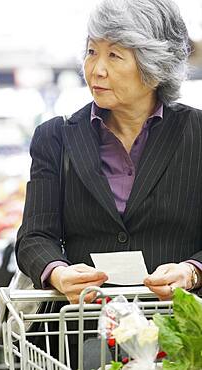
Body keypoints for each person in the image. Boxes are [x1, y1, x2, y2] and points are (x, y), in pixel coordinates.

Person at [16, 0, 202, 309]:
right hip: (76, 329)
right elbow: (35, 236)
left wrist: (191, 271)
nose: (95, 69)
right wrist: (58, 273)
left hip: (180, 329)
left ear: (155, 67)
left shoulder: (197, 134)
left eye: (114, 55)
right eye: (91, 52)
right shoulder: (55, 137)